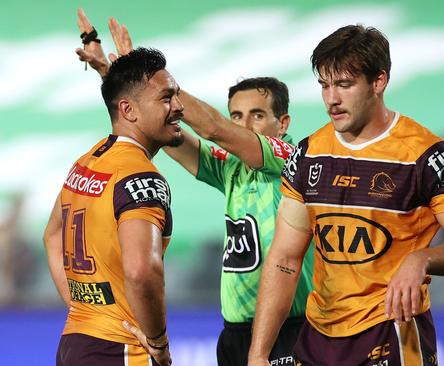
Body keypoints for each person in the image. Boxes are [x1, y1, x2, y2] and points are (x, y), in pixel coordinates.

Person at [248, 24, 444, 366]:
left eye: (345, 85)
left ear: (378, 82)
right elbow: (285, 259)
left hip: (395, 333)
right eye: (325, 85)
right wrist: (258, 353)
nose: (331, 99)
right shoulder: (307, 156)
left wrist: (422, 259)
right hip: (319, 338)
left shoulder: (426, 156)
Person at [74, 9, 314, 366]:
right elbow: (167, 132)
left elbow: (214, 128)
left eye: (258, 115)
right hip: (233, 333)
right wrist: (120, 77)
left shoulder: (289, 159)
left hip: (289, 328)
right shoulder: (231, 167)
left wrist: (152, 81)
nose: (245, 125)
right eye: (237, 115)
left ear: (283, 124)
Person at [43, 47, 182, 366]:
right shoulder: (142, 177)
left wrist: (83, 311)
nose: (179, 107)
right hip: (120, 350)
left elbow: (52, 236)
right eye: (167, 98)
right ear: (128, 110)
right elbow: (141, 269)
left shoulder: (86, 163)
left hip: (76, 342)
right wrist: (158, 343)